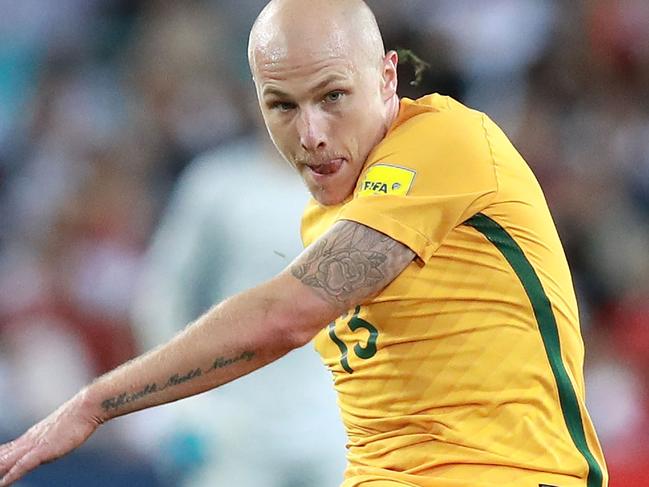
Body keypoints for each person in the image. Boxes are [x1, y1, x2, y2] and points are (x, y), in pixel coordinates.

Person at [0, 0, 608, 486]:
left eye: (333, 96)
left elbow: (286, 315)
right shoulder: (326, 215)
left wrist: (95, 403)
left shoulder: (449, 142)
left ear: (387, 76)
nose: (311, 133)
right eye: (282, 105)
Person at [130, 134, 346, 486]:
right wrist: (183, 401)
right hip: (233, 420)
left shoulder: (362, 188)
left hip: (334, 419)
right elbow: (162, 296)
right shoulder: (218, 184)